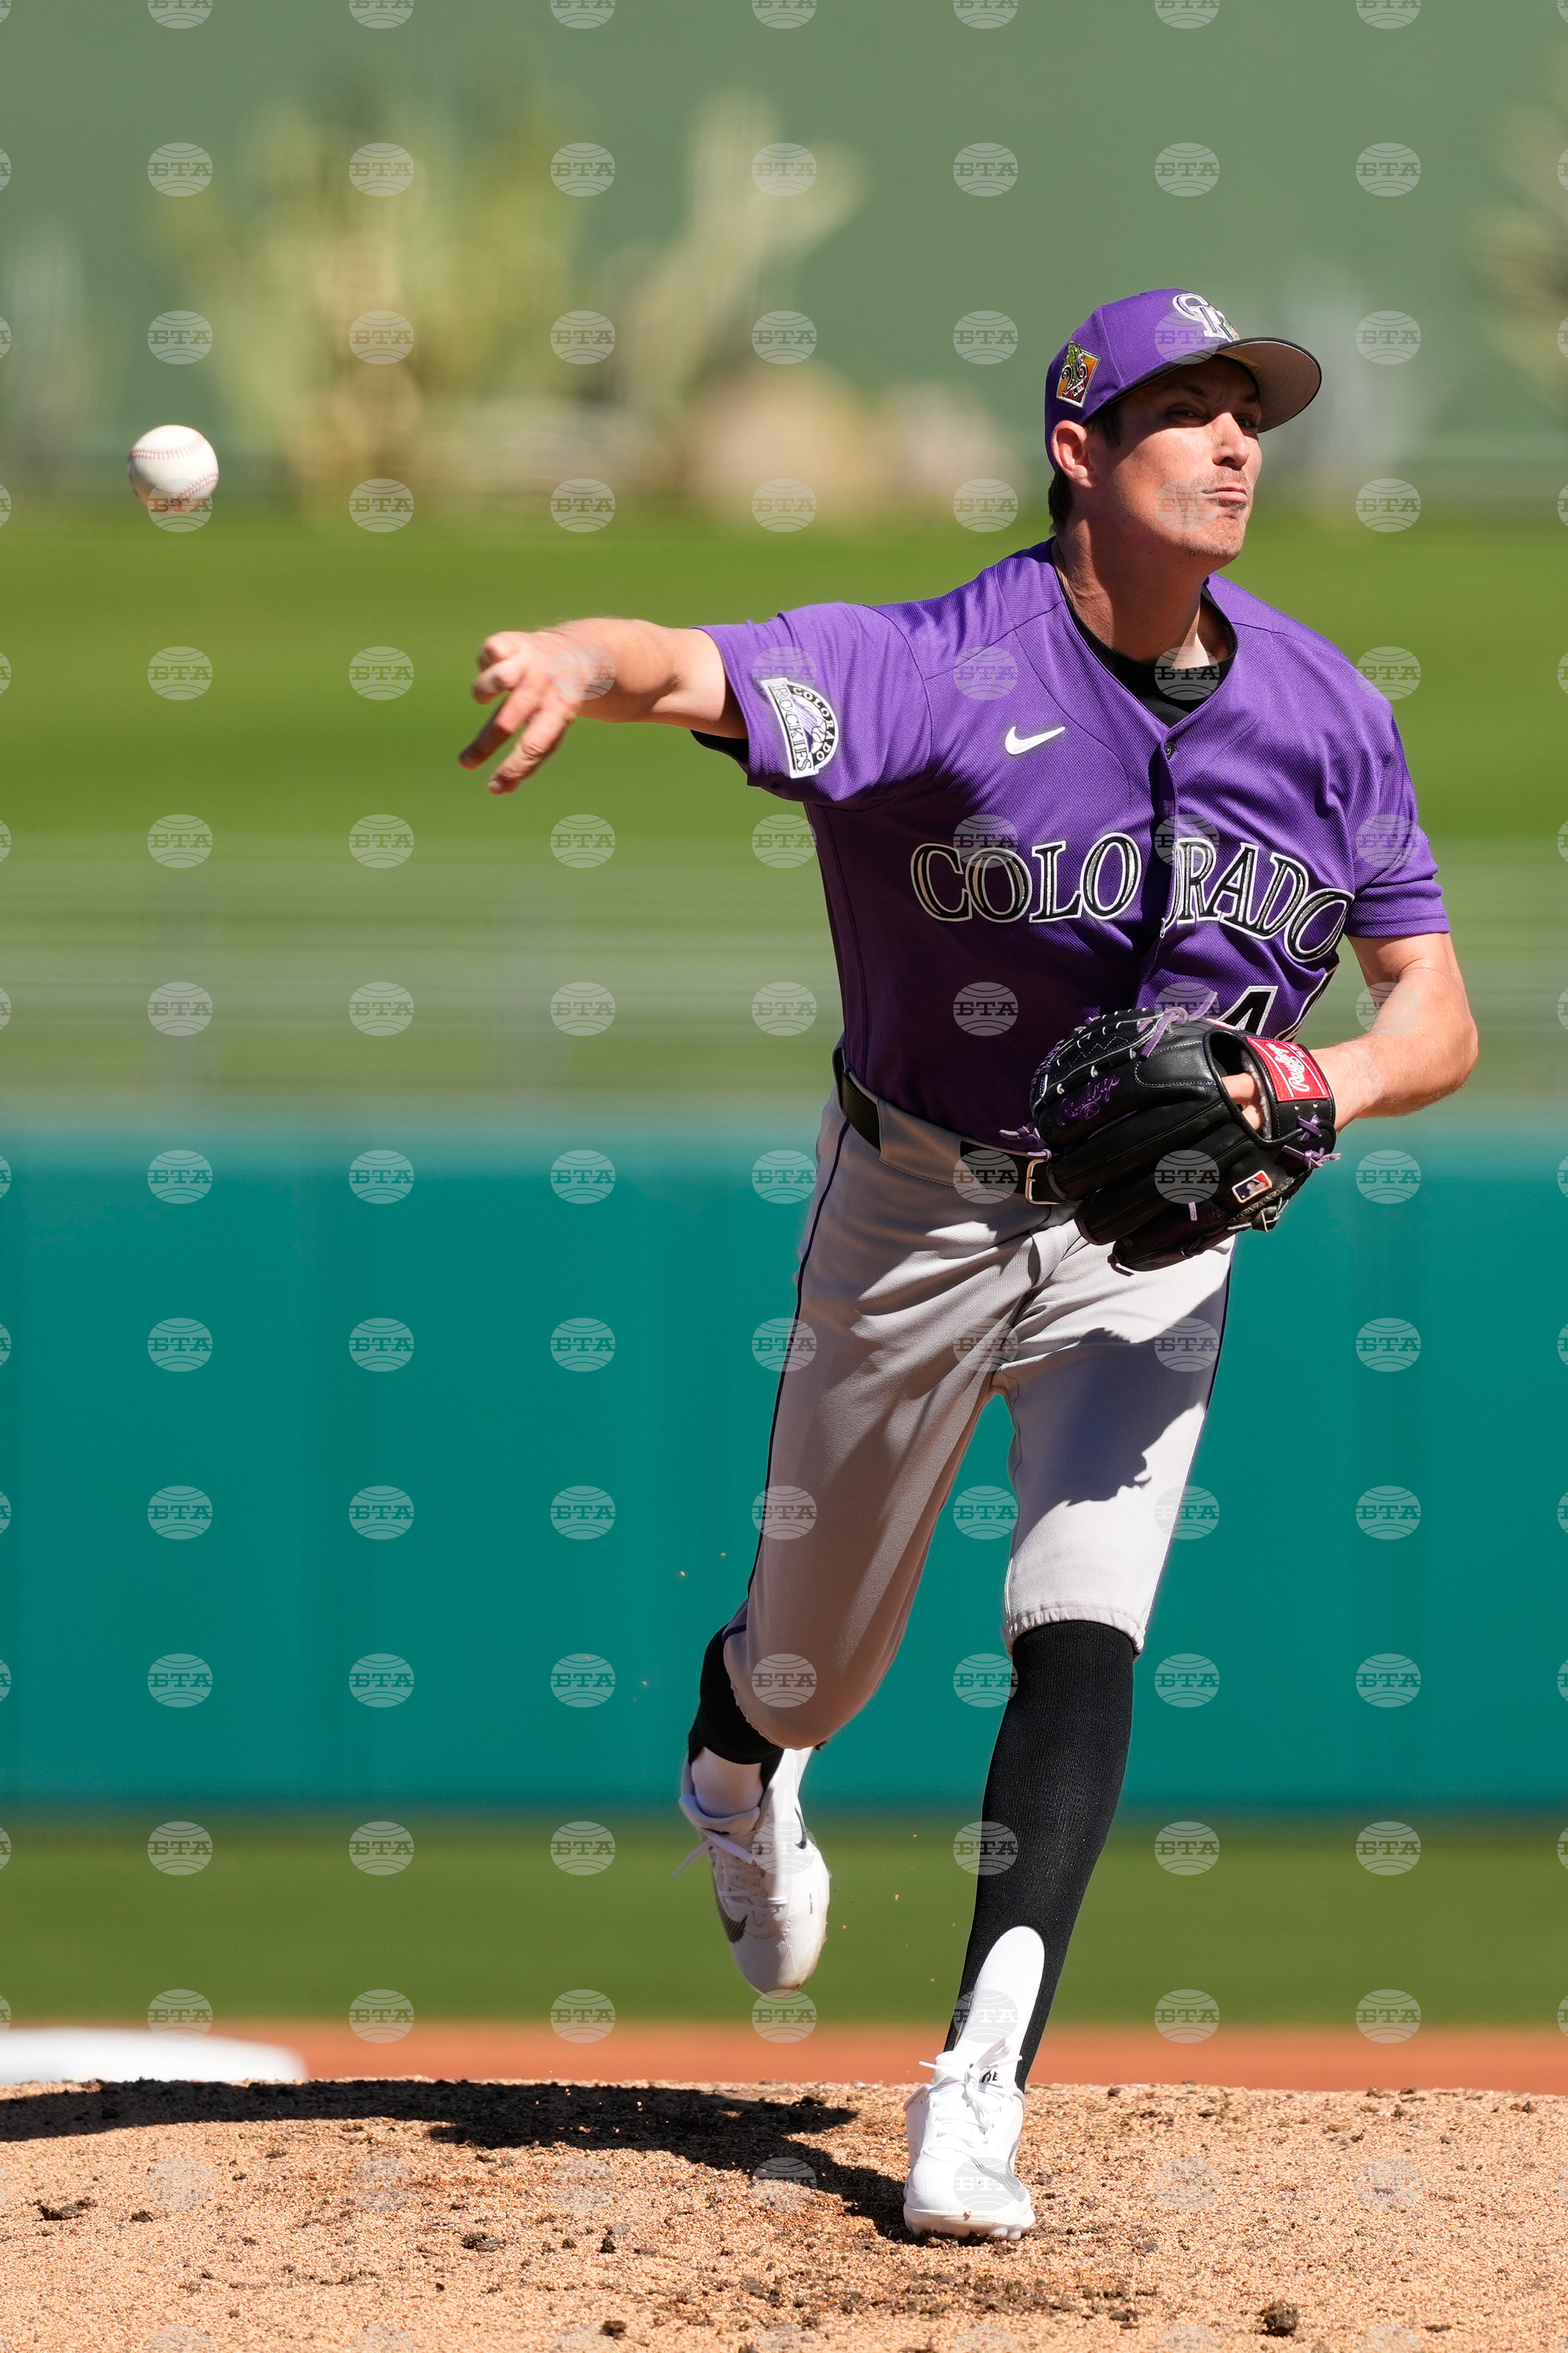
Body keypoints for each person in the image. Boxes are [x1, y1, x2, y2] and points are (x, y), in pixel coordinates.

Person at [458, 288, 1477, 2239]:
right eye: (1185, 410)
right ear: (1079, 454)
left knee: (1078, 1624)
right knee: (811, 1659)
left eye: (1250, 409)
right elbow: (699, 665)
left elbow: (1432, 1017)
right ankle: (738, 1761)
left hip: (1151, 1238)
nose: (1237, 443)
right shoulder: (936, 668)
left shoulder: (1327, 709)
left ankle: (974, 2089)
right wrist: (577, 658)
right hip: (917, 1210)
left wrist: (1305, 1084)